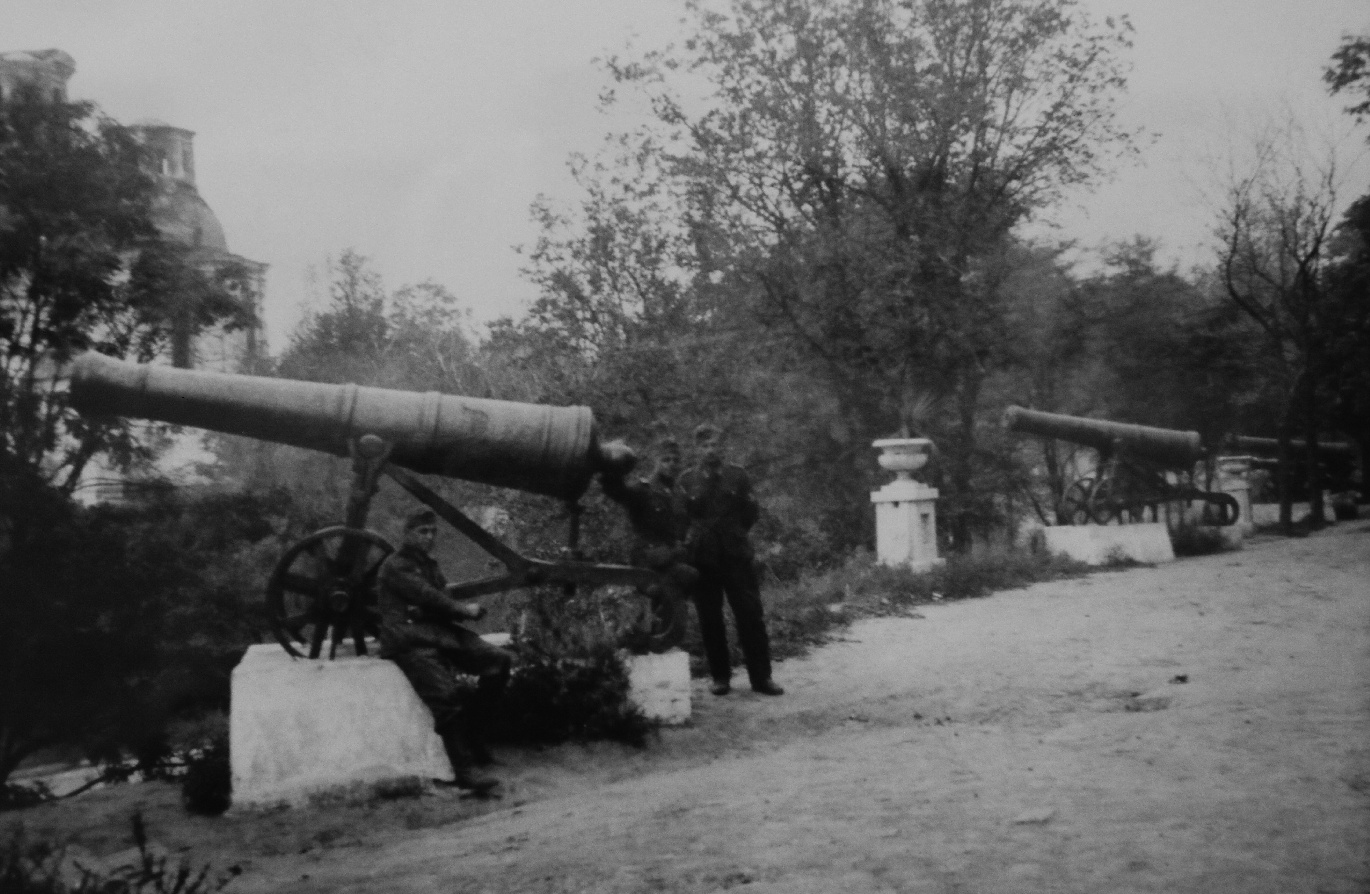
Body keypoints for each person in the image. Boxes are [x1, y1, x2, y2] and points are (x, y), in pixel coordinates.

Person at [376, 508, 512, 796]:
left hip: (439, 632)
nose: (429, 537)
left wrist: (445, 609)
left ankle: (474, 738)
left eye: (432, 532)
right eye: (422, 531)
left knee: (498, 661)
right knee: (446, 696)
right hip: (409, 641)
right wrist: (463, 610)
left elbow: (438, 598)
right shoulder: (396, 566)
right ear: (407, 534)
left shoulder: (429, 564)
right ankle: (465, 771)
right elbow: (428, 595)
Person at [679, 424, 783, 697]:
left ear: (722, 446)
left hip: (736, 556)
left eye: (714, 444)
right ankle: (720, 677)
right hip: (704, 558)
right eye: (705, 446)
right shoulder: (687, 480)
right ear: (697, 449)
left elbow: (750, 513)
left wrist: (733, 534)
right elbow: (682, 519)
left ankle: (761, 678)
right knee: (710, 618)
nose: (710, 450)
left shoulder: (738, 476)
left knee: (750, 615)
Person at [598, 437, 697, 645]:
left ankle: (657, 638)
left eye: (675, 460)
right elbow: (619, 493)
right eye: (666, 460)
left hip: (672, 558)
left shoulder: (679, 494)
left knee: (687, 580)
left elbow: (686, 526)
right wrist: (610, 469)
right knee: (664, 590)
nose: (671, 464)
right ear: (656, 461)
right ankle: (640, 638)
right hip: (648, 560)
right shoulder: (644, 490)